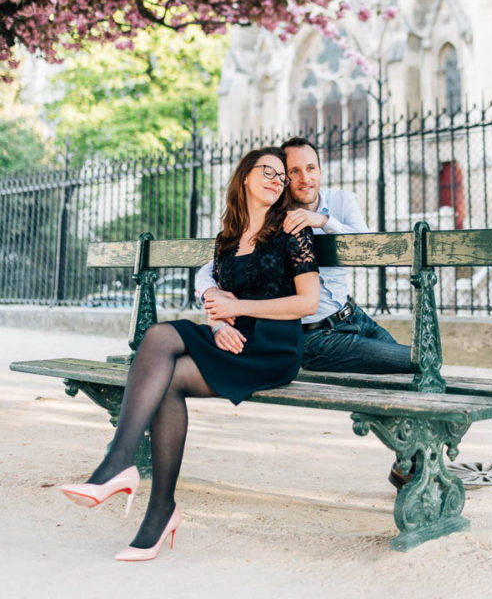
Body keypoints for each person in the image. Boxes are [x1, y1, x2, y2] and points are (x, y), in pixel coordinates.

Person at [59, 147, 319, 562]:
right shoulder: (228, 239)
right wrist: (218, 323)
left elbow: (307, 303)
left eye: (281, 176)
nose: (276, 179)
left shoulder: (292, 230)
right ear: (245, 177)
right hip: (233, 337)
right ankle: (159, 508)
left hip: (273, 346)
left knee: (161, 336)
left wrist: (237, 310)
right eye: (267, 171)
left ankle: (120, 464)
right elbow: (217, 303)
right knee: (166, 374)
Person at [199, 136, 412, 376]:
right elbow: (215, 265)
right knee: (415, 363)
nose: (305, 179)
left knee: (418, 366)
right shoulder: (274, 220)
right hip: (315, 336)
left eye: (311, 168)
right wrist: (211, 294)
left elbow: (374, 257)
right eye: (294, 172)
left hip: (353, 316)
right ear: (284, 178)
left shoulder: (341, 201)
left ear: (320, 171)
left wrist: (325, 222)